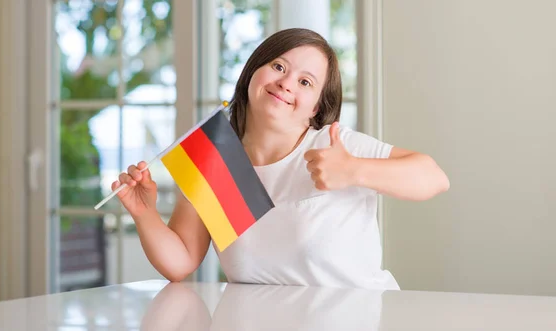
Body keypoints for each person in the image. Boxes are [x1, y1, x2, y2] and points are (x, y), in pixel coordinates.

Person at [112, 28, 450, 290]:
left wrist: (354, 170)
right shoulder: (217, 161)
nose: (286, 83)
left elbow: (433, 177)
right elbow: (181, 260)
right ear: (253, 73)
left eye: (305, 82)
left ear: (316, 106)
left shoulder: (335, 144)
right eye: (278, 66)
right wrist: (145, 214)